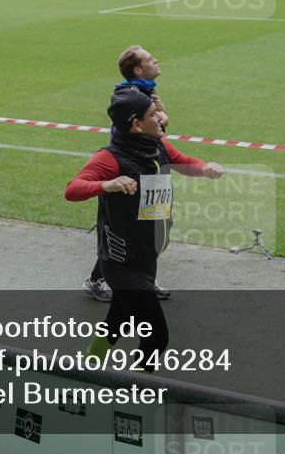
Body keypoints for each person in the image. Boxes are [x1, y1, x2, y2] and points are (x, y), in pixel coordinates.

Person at [66, 88, 222, 370]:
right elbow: (73, 189)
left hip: (146, 255)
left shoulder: (157, 146)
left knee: (118, 319)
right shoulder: (109, 158)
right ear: (137, 124)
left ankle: (87, 366)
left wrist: (204, 168)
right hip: (121, 264)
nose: (161, 117)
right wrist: (107, 185)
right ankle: (135, 390)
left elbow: (182, 162)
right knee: (157, 338)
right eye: (153, 114)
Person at [83, 45, 171, 302]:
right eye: (149, 59)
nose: (156, 60)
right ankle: (97, 280)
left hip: (149, 166)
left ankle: (145, 280)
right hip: (131, 170)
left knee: (152, 227)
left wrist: (162, 119)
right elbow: (135, 131)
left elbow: (156, 133)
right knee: (123, 231)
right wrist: (162, 118)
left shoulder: (145, 92)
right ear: (138, 70)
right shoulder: (130, 95)